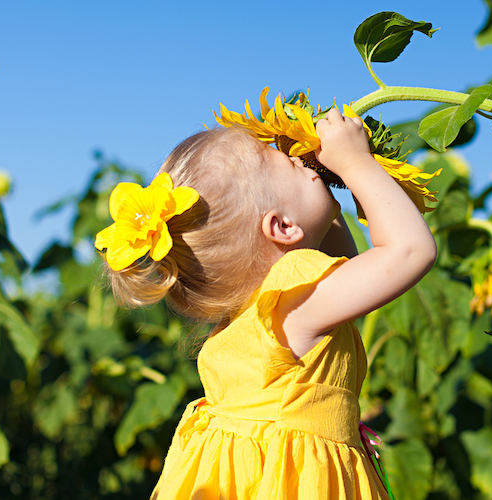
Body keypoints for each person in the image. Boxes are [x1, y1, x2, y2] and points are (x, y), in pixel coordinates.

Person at [95, 108, 437, 499]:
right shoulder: (294, 296)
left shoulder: (251, 314)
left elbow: (350, 268)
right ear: (282, 227)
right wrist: (356, 163)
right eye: (291, 164)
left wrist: (326, 185)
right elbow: (411, 251)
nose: (302, 160)